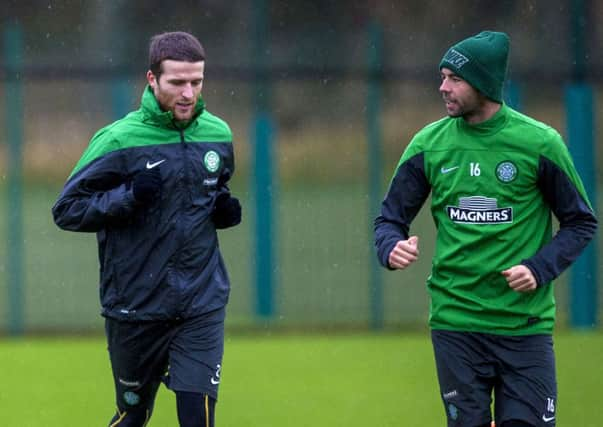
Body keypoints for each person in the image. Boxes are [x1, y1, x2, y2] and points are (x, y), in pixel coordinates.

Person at [374, 31, 597, 427]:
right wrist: (390, 246)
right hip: (455, 322)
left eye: (454, 79)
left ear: (485, 83)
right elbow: (389, 217)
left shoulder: (540, 143)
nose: (443, 87)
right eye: (442, 76)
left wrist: (538, 268)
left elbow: (580, 222)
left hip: (524, 326)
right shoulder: (429, 143)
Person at [52, 31, 241, 427]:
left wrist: (223, 209)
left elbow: (214, 190)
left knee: (198, 416)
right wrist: (128, 197)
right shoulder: (118, 140)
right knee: (133, 416)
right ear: (152, 80)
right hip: (135, 307)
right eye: (177, 83)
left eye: (196, 82)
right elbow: (67, 210)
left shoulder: (218, 135)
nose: (188, 93)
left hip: (201, 302)